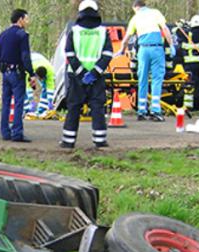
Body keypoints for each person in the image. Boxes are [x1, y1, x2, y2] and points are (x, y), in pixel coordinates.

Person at [60, 0, 113, 149]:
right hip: (97, 78)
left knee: (74, 108)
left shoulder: (74, 31)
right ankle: (100, 140)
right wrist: (94, 73)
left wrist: (81, 73)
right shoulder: (103, 31)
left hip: (76, 77)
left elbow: (69, 53)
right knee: (97, 108)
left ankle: (68, 141)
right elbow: (108, 54)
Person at [121, 0, 174, 121]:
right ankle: (155, 111)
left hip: (143, 50)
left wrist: (121, 50)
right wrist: (171, 45)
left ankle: (141, 111)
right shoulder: (156, 13)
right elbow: (165, 29)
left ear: (136, 7)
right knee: (157, 79)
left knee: (142, 79)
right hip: (156, 49)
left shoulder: (135, 18)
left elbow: (126, 38)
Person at [0, 9, 35, 143]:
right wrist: (31, 73)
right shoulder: (22, 35)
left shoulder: (3, 34)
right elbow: (25, 56)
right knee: (19, 103)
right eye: (26, 19)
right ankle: (17, 133)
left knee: (6, 102)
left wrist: (1, 68)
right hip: (17, 72)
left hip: (5, 72)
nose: (27, 21)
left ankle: (5, 132)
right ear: (20, 19)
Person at [24, 52, 55, 117]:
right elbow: (27, 86)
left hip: (42, 61)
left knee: (45, 88)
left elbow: (50, 87)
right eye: (40, 79)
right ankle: (26, 109)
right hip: (29, 61)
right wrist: (31, 100)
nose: (41, 81)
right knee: (22, 88)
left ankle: (42, 110)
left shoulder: (50, 71)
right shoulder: (30, 69)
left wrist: (50, 100)